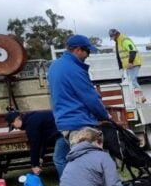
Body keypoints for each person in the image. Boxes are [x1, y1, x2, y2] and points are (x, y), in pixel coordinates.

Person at [47, 34, 110, 178]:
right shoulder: (74, 69)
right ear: (78, 50)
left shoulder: (54, 66)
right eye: (87, 51)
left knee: (65, 160)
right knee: (90, 167)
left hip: (64, 123)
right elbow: (90, 98)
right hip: (79, 123)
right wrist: (104, 116)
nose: (88, 55)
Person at [5, 109, 61, 175]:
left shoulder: (31, 124)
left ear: (17, 119)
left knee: (58, 159)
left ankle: (67, 182)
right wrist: (40, 157)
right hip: (61, 131)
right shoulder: (31, 119)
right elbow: (43, 139)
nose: (15, 128)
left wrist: (34, 165)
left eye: (13, 125)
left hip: (63, 132)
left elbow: (34, 144)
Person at [109, 28, 145, 103]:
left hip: (133, 63)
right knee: (128, 82)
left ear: (116, 34)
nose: (113, 39)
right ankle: (135, 99)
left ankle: (141, 97)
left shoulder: (124, 40)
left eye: (113, 37)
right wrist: (121, 68)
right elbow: (119, 56)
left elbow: (133, 50)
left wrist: (130, 62)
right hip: (128, 65)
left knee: (132, 80)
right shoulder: (118, 41)